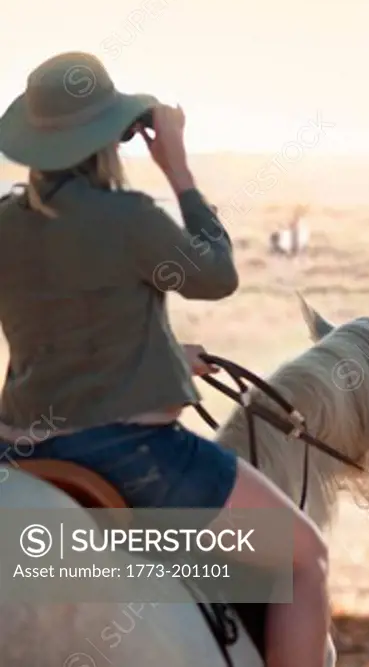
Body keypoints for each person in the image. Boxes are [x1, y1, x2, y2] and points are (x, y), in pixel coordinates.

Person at [0, 51, 330, 667]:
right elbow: (216, 275)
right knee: (304, 558)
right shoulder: (129, 218)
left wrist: (161, 356)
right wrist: (178, 170)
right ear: (112, 140)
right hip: (130, 455)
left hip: (17, 450)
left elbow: (60, 324)